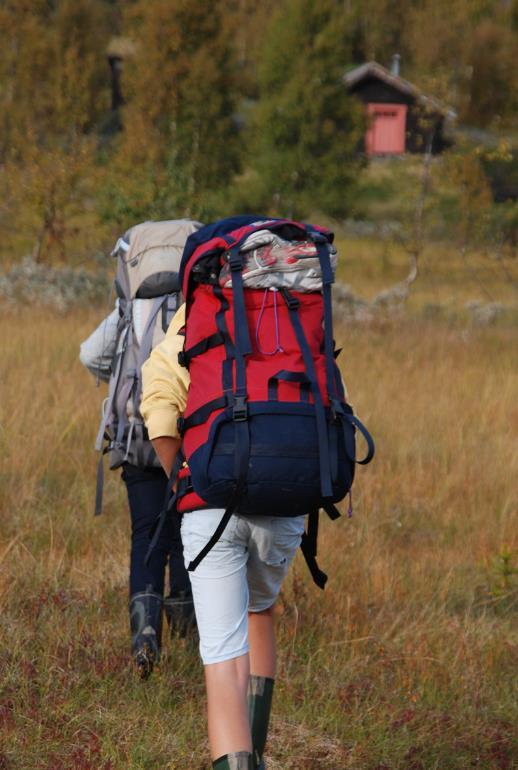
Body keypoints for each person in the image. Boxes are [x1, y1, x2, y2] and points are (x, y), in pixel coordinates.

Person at [141, 302, 305, 769]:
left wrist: (182, 482)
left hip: (209, 505)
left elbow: (158, 401)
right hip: (285, 503)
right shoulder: (293, 318)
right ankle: (256, 752)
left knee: (222, 655)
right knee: (261, 609)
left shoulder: (198, 312)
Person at [80, 294, 195, 679]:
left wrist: (118, 376)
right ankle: (188, 627)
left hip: (136, 435)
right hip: (190, 436)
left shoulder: (130, 305)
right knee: (186, 527)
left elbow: (90, 355)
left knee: (146, 532)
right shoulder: (205, 304)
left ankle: (145, 636)